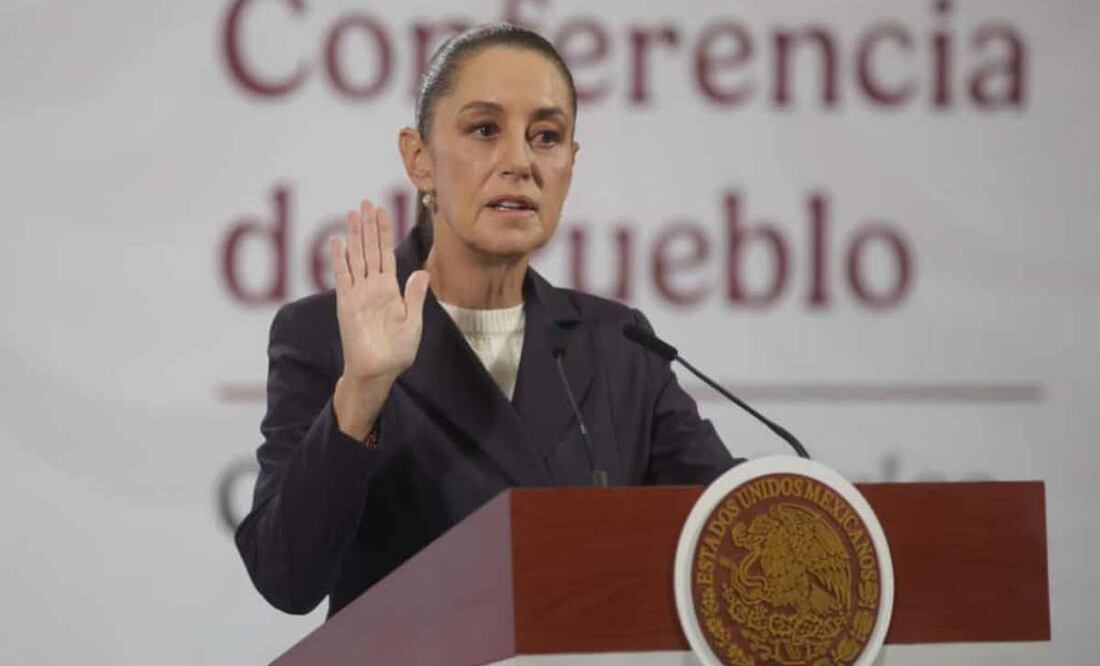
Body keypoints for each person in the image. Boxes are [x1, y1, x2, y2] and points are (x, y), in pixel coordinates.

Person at [235, 23, 736, 618]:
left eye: (546, 137)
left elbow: (733, 524)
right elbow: (284, 579)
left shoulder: (620, 344)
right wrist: (362, 393)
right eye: (484, 130)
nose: (520, 162)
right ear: (418, 159)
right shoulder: (324, 335)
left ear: (571, 164)